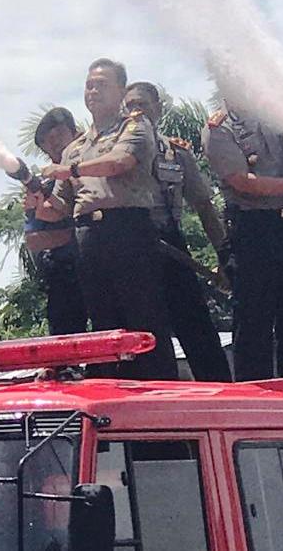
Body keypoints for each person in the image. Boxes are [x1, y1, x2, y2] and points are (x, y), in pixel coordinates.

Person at [43, 58, 177, 380]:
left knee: (144, 318)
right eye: (89, 84)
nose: (93, 91)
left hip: (128, 229)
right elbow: (59, 205)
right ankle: (116, 394)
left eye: (101, 84)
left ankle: (160, 393)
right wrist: (39, 202)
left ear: (120, 91)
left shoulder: (134, 126)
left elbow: (120, 162)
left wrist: (71, 170)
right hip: (89, 236)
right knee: (104, 321)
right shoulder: (74, 148)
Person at [123, 82, 232, 381]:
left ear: (158, 108)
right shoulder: (112, 154)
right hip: (128, 250)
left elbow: (204, 206)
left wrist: (225, 257)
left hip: (170, 246)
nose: (136, 111)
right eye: (130, 105)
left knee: (198, 329)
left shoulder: (177, 154)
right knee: (144, 336)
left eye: (142, 104)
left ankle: (221, 395)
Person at [202, 99, 283, 380]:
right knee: (254, 321)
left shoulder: (276, 113)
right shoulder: (220, 127)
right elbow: (242, 181)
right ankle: (256, 395)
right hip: (253, 230)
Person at [24, 107, 89, 336]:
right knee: (65, 340)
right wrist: (80, 236)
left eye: (58, 136)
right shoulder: (44, 187)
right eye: (47, 143)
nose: (54, 145)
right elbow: (34, 240)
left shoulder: (97, 166)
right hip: (65, 274)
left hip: (105, 265)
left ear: (76, 133)